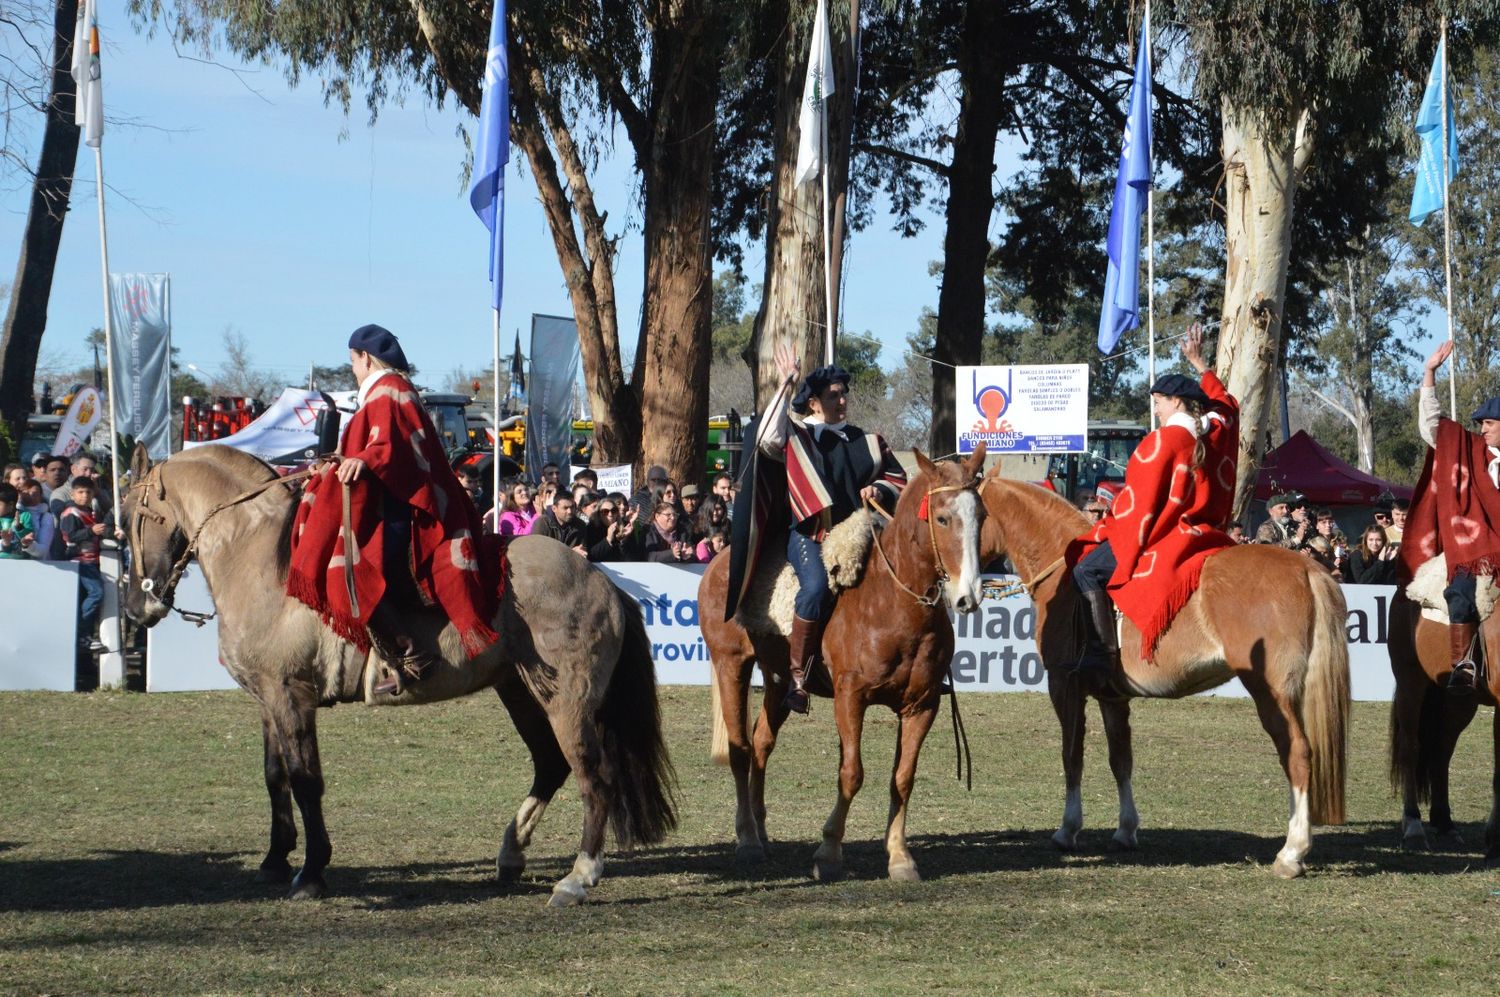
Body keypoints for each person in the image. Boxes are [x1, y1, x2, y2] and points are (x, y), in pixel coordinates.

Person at [287, 324, 497, 697]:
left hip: (408, 504)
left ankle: (409, 656)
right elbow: (376, 444)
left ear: (365, 357)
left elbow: (390, 446)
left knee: (357, 564)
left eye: (353, 360)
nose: (352, 368)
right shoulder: (385, 394)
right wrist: (341, 461)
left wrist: (365, 460)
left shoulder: (389, 393)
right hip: (394, 496)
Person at [1069, 323, 1238, 680]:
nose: (1157, 411)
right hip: (1206, 532)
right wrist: (1200, 365)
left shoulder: (1161, 443)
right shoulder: (1215, 429)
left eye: (1158, 403)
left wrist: (1107, 524)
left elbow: (1138, 509)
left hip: (1167, 535)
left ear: (1175, 402)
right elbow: (1227, 406)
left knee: (1086, 569)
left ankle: (1102, 656)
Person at [758, 344, 908, 713]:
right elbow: (766, 439)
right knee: (815, 588)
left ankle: (920, 668)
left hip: (863, 534)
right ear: (813, 403)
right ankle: (798, 678)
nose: (842, 401)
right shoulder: (798, 437)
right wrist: (786, 383)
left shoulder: (868, 441)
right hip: (812, 535)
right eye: (833, 395)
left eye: (844, 394)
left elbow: (899, 479)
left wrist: (879, 488)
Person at [1400, 340, 1500, 693]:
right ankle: (1464, 665)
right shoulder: (1468, 449)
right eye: (1482, 424)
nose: (1483, 429)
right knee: (1460, 589)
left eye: (1489, 423)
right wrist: (1429, 374)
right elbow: (1432, 428)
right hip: (1475, 550)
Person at [58, 475, 110, 650]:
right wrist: (92, 531)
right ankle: (81, 634)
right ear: (72, 494)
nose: (84, 495)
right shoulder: (70, 513)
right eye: (80, 492)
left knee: (88, 597)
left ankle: (83, 635)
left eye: (88, 492)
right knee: (96, 593)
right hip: (80, 561)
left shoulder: (91, 512)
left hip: (92, 560)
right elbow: (69, 536)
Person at [17, 479, 60, 560]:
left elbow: (43, 551)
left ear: (41, 496)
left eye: (35, 493)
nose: (30, 494)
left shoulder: (46, 517)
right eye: (26, 492)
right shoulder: (11, 512)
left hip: (37, 568)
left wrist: (29, 545)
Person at [0, 483, 35, 560]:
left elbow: (29, 536)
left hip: (21, 562)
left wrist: (19, 527)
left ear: (11, 505)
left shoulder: (24, 516)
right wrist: (5, 540)